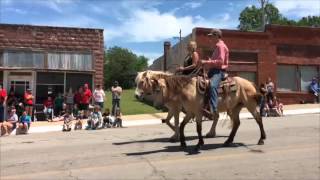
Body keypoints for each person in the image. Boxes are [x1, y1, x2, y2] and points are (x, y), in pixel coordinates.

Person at [199, 28, 229, 117]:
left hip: (219, 71)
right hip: (213, 70)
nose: (210, 38)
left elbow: (220, 61)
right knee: (200, 81)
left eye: (211, 36)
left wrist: (207, 62)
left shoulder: (221, 46)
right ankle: (204, 105)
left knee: (212, 85)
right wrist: (210, 61)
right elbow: (216, 61)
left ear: (216, 36)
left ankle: (213, 109)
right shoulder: (217, 47)